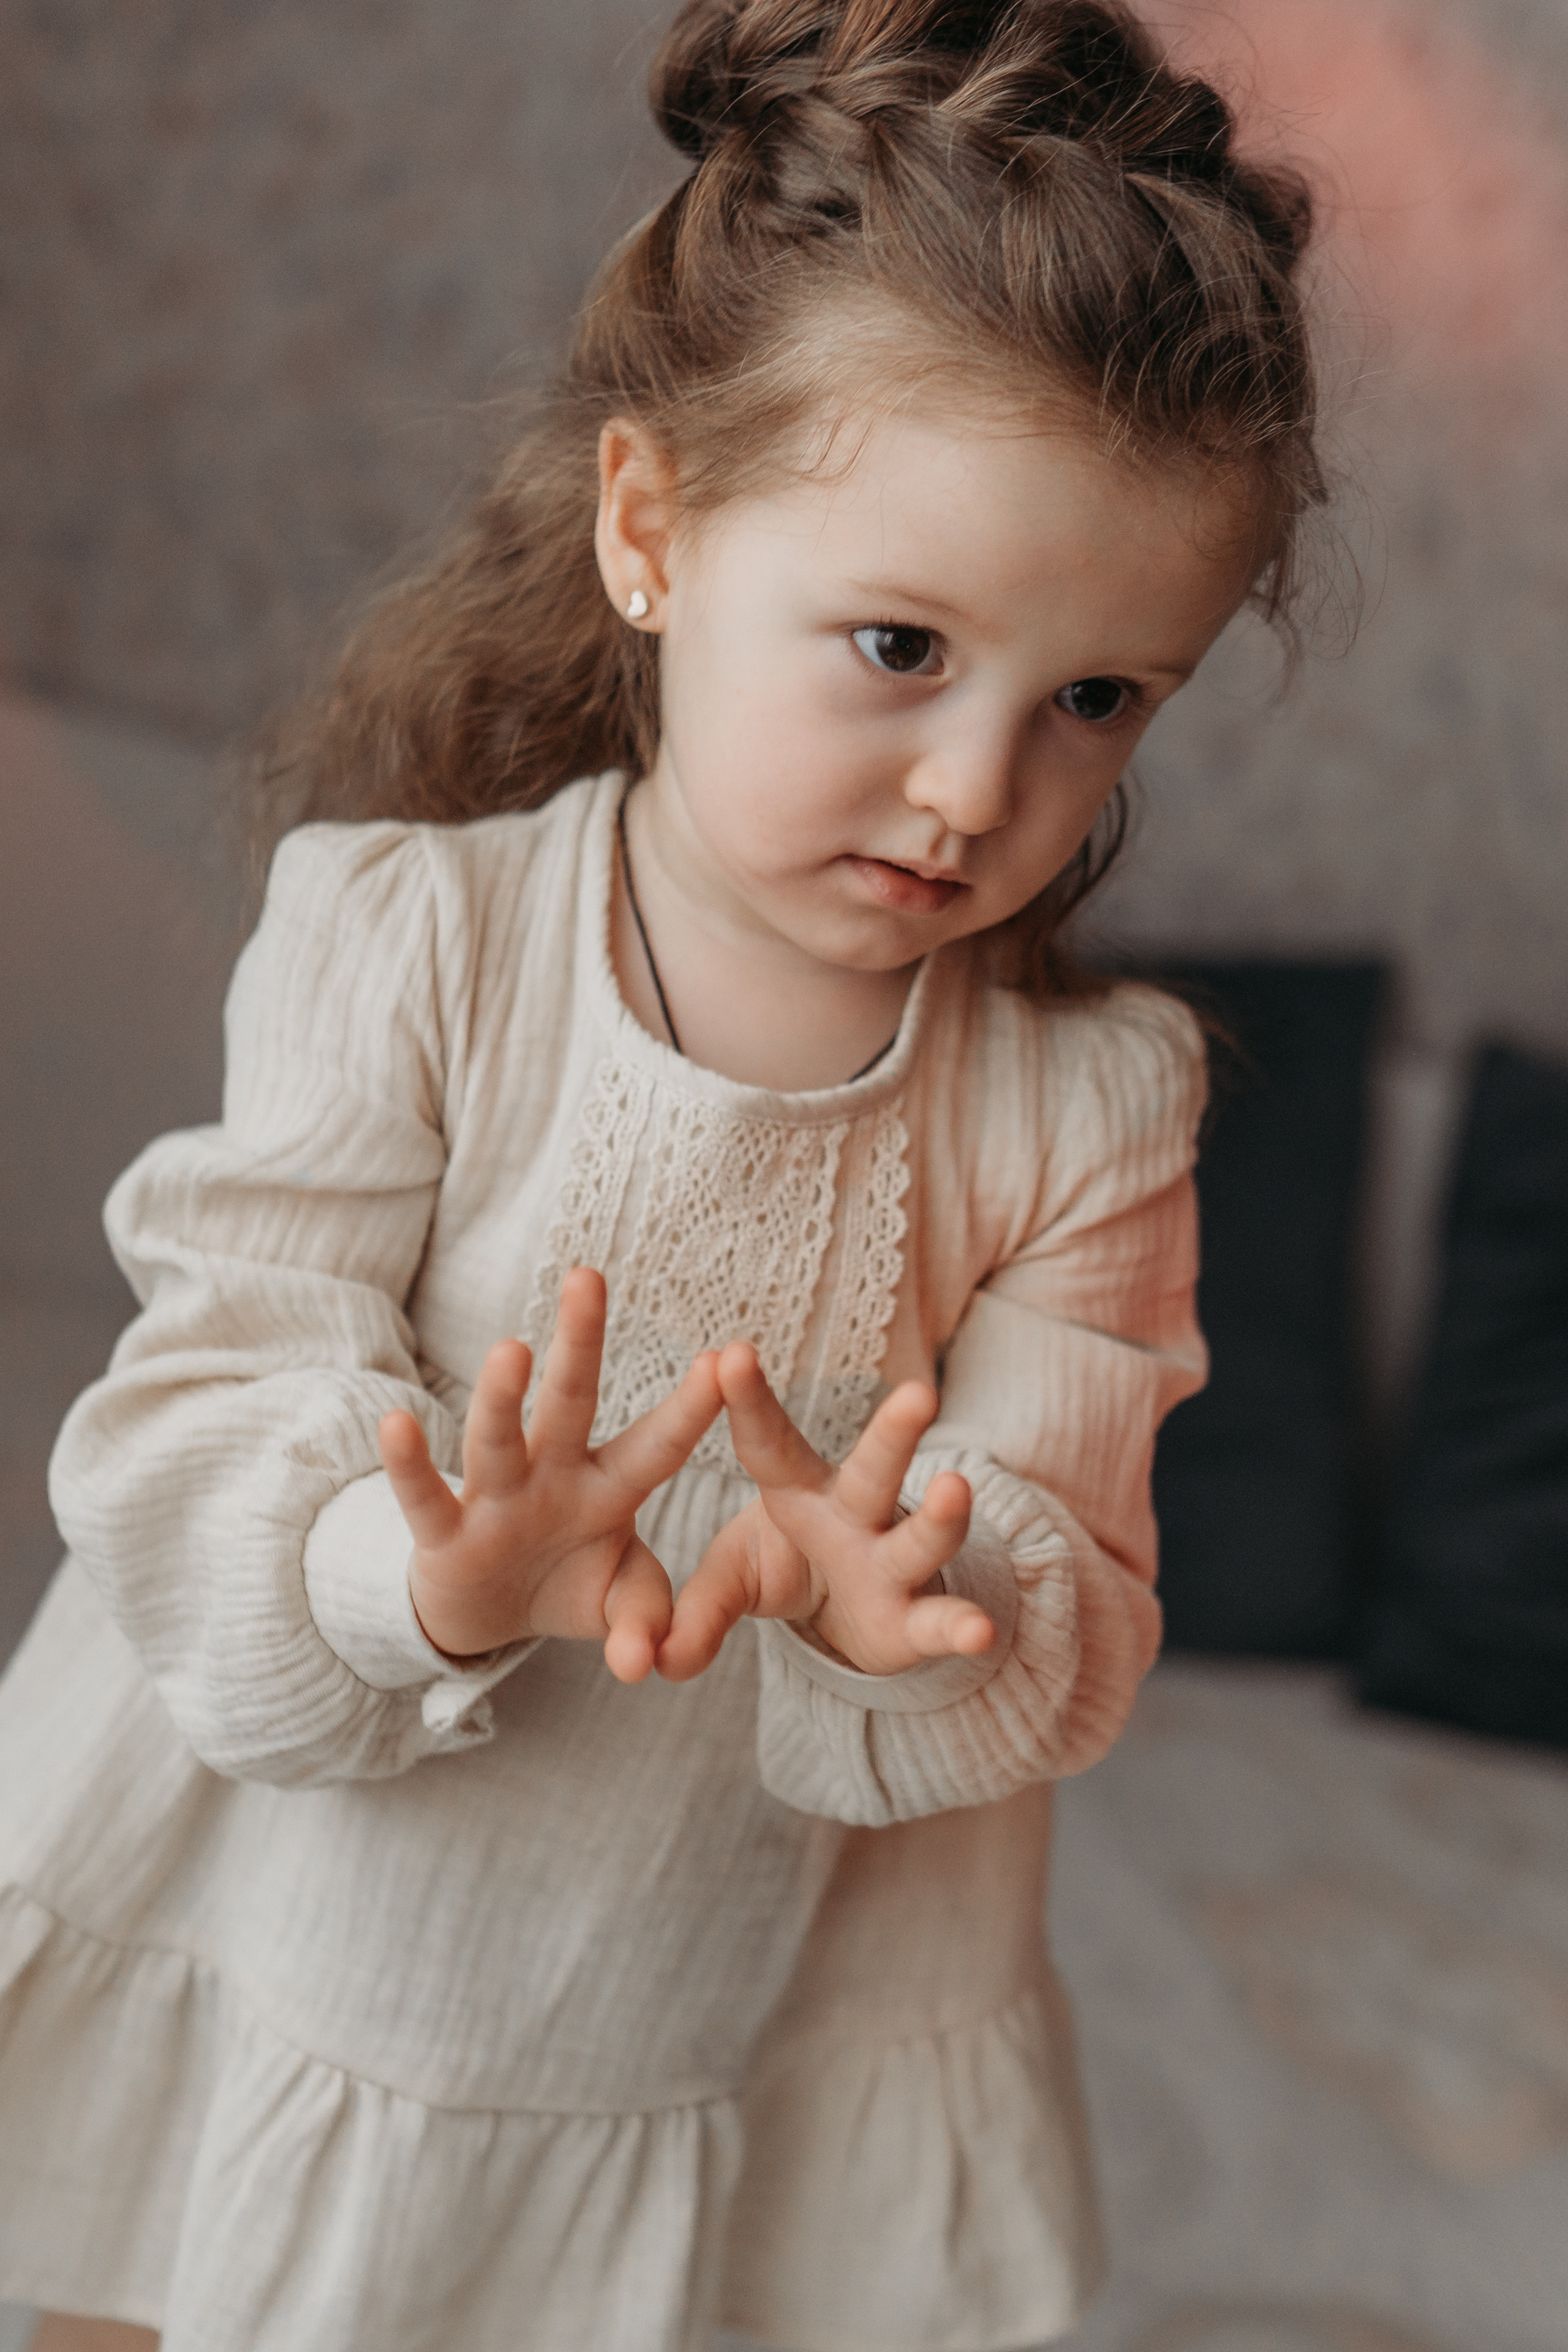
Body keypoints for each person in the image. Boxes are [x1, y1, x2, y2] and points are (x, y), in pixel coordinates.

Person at [0, 0, 1325, 2345]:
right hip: (262, 1933)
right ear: (650, 529)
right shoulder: (409, 940)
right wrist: (417, 1568)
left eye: (1101, 697)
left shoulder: (1090, 1106)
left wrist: (907, 1592)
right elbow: (197, 1420)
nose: (975, 789)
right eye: (899, 646)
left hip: (670, 2028)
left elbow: (1060, 1602)